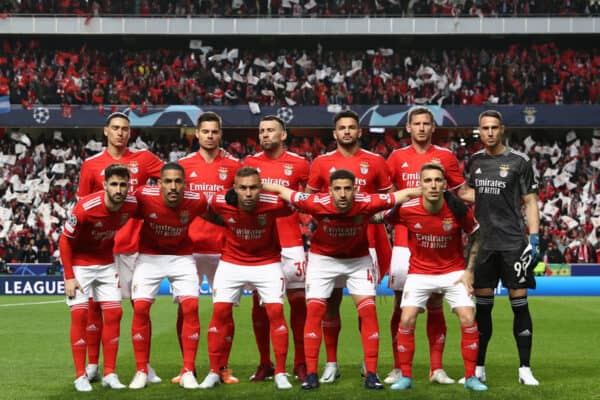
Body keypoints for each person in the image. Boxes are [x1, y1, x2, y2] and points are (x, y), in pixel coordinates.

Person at [263, 169, 420, 390]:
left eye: (347, 188)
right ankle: (311, 374)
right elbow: (281, 189)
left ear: (355, 189)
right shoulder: (316, 202)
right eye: (338, 189)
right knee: (315, 311)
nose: (343, 194)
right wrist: (248, 184)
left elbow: (402, 195)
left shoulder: (366, 201)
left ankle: (372, 374)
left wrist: (431, 189)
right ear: (330, 190)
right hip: (323, 260)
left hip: (357, 261)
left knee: (368, 311)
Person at [376, 163, 487, 391]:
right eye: (428, 181)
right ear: (420, 185)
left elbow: (477, 236)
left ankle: (470, 377)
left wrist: (469, 271)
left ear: (445, 184)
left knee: (468, 318)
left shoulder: (457, 208)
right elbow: (380, 217)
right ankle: (405, 376)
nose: (433, 185)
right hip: (419, 272)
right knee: (406, 319)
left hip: (453, 272)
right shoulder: (407, 208)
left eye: (438, 180)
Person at [305, 109, 392, 383]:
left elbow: (389, 199)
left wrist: (379, 216)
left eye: (351, 127)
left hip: (365, 243)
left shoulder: (376, 161)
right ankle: (331, 363)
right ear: (335, 133)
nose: (346, 132)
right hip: (328, 246)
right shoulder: (320, 162)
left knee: (364, 306)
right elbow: (309, 200)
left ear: (359, 131)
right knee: (329, 305)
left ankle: (369, 365)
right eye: (341, 128)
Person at [384, 106, 469, 385]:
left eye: (426, 124)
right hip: (403, 239)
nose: (421, 128)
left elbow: (460, 195)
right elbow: (387, 198)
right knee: (402, 306)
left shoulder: (445, 156)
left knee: (436, 303)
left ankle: (437, 368)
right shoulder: (396, 157)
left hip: (438, 240)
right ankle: (399, 368)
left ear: (433, 128)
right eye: (416, 123)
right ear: (408, 128)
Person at [77, 111, 163, 383]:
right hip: (102, 249)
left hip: (137, 247)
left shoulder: (144, 159)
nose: (121, 133)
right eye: (115, 128)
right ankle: (93, 365)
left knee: (141, 307)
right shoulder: (91, 165)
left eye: (125, 128)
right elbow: (81, 208)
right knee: (96, 308)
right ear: (106, 131)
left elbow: (174, 178)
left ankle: (144, 365)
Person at [462, 110, 541, 385]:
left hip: (512, 244)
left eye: (495, 127)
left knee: (519, 305)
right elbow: (471, 193)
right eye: (485, 128)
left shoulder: (519, 161)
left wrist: (534, 238)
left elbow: (530, 201)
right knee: (482, 309)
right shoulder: (474, 161)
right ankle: (479, 368)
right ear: (479, 131)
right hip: (482, 245)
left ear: (502, 129)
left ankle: (525, 369)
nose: (490, 133)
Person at [197, 167, 293, 390]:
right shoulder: (221, 200)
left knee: (276, 313)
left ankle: (280, 372)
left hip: (267, 263)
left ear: (260, 187)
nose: (248, 193)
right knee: (219, 313)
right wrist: (225, 223)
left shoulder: (275, 204)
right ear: (234, 189)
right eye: (243, 188)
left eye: (253, 187)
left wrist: (273, 187)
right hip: (232, 262)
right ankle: (215, 371)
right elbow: (205, 210)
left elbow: (296, 202)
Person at [127, 163, 208, 390]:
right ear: (159, 183)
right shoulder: (143, 195)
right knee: (141, 308)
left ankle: (188, 371)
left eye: (178, 181)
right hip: (149, 257)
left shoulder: (197, 200)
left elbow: (216, 214)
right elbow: (121, 210)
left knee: (190, 307)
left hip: (181, 257)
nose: (173, 186)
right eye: (168, 181)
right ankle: (142, 370)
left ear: (185, 184)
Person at [175, 111, 241, 384]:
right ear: (197, 134)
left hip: (224, 247)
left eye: (215, 132)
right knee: (185, 308)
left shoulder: (235, 166)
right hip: (188, 247)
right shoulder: (182, 166)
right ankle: (186, 367)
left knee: (223, 309)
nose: (210, 136)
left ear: (220, 134)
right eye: (206, 132)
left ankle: (222, 367)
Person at [59, 164, 137, 392]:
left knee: (115, 313)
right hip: (80, 265)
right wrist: (69, 276)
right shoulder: (85, 207)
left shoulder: (131, 205)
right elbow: (64, 240)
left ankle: (110, 373)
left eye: (123, 184)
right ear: (105, 185)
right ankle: (80, 375)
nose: (119, 189)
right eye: (114, 184)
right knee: (80, 316)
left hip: (105, 264)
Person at [243, 115, 310, 382]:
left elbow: (310, 197)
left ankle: (301, 362)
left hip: (291, 241)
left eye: (271, 130)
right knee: (260, 305)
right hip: (260, 242)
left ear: (283, 135)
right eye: (261, 131)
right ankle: (265, 362)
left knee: (297, 303)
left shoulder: (299, 164)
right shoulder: (249, 164)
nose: (265, 135)